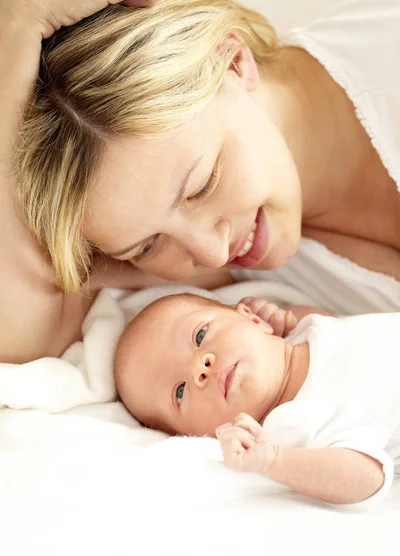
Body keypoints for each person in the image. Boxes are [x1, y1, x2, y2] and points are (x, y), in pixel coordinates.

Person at [2, 0, 400, 364]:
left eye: (202, 186)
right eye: (146, 246)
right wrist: (15, 27)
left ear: (233, 62)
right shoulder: (224, 250)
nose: (212, 254)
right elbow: (23, 336)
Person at [114, 292, 400, 507]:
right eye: (179, 392)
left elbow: (346, 333)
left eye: (200, 335)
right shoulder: (289, 426)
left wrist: (287, 319)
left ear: (253, 318)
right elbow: (369, 479)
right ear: (197, 435)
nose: (198, 368)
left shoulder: (307, 331)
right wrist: (275, 461)